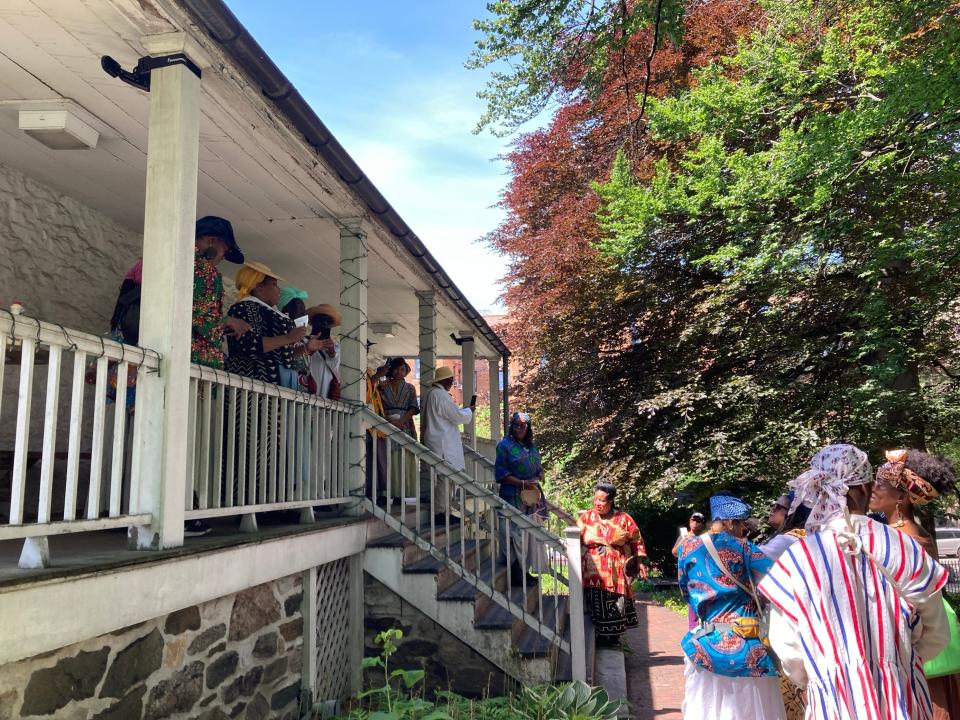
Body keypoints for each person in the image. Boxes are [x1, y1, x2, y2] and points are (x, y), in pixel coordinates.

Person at [758, 444, 949, 720]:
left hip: (832, 705)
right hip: (903, 701)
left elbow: (787, 647)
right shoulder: (904, 548)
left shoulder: (798, 559)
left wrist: (823, 672)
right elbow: (937, 635)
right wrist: (899, 659)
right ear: (865, 487)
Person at [109, 215, 250, 536]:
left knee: (148, 438)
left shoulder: (158, 259)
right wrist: (227, 326)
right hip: (182, 369)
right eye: (224, 249)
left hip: (144, 365)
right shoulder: (202, 269)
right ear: (212, 242)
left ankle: (133, 509)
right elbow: (199, 318)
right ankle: (175, 512)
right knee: (179, 441)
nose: (223, 257)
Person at [869, 449, 960, 720]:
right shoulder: (907, 533)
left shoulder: (904, 539)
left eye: (880, 485)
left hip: (919, 630)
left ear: (901, 497)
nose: (872, 489)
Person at [678, 493, 785, 720]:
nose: (743, 532)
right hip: (746, 649)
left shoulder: (687, 549)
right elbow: (777, 579)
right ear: (731, 522)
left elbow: (686, 593)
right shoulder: (746, 549)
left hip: (704, 646)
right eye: (742, 526)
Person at [225, 262, 319, 385]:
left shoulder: (266, 310)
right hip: (255, 385)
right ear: (259, 287)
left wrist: (306, 348)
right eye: (274, 284)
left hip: (277, 384)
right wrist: (288, 337)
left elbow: (283, 356)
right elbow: (249, 346)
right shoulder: (246, 307)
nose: (278, 289)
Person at [578, 482, 647, 647]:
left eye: (602, 500)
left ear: (611, 501)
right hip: (593, 572)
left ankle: (614, 638)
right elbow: (579, 538)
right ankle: (600, 636)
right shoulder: (587, 517)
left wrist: (639, 562)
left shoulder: (624, 519)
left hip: (617, 573)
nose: (597, 503)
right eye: (596, 499)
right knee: (597, 603)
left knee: (616, 603)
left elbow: (637, 541)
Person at [495, 412, 547, 581]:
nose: (519, 428)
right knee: (515, 535)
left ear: (528, 428)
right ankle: (517, 574)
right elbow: (501, 473)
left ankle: (525, 571)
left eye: (523, 426)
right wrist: (522, 483)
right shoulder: (505, 445)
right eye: (516, 425)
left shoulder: (532, 446)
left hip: (531, 498)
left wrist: (540, 473)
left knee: (528, 536)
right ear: (511, 426)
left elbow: (538, 466)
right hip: (512, 497)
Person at [423, 366, 474, 521]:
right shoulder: (440, 395)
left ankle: (444, 511)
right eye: (451, 380)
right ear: (446, 380)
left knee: (445, 479)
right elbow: (456, 416)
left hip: (438, 440)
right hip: (443, 443)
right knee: (445, 479)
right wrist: (469, 410)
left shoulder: (432, 394)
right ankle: (441, 513)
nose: (452, 383)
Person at [377, 358, 419, 498]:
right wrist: (388, 420)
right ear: (390, 370)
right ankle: (389, 491)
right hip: (386, 422)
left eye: (402, 369)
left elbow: (413, 407)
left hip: (405, 424)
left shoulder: (410, 388)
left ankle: (404, 492)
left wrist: (401, 421)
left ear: (406, 371)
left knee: (403, 457)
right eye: (396, 368)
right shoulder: (382, 386)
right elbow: (378, 406)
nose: (399, 372)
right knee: (388, 458)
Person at [672, 511, 707, 631]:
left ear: (702, 524)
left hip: (703, 577)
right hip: (688, 577)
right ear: (689, 521)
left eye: (698, 521)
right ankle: (693, 634)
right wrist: (684, 540)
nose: (695, 523)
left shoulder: (705, 537)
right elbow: (674, 552)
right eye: (693, 520)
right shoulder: (684, 536)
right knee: (692, 606)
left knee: (705, 606)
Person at [758, 491, 811, 560]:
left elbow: (753, 559)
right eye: (774, 505)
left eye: (779, 507)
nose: (773, 509)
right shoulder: (793, 536)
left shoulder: (789, 540)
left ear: (793, 514)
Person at [306, 304, 342, 400]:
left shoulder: (336, 347)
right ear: (313, 322)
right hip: (306, 391)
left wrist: (332, 353)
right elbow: (299, 366)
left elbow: (340, 374)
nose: (324, 324)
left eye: (327, 321)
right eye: (320, 320)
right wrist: (308, 349)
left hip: (327, 394)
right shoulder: (303, 342)